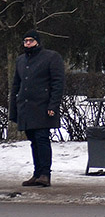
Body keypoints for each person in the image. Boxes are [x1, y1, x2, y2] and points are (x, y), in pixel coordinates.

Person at [9, 30, 66, 187]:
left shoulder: (51, 57)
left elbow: (57, 83)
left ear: (38, 42)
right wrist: (14, 108)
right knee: (33, 140)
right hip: (26, 107)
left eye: (31, 40)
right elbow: (16, 85)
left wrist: (53, 105)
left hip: (43, 107)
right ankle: (37, 173)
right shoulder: (21, 60)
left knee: (42, 139)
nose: (27, 43)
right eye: (25, 41)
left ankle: (45, 174)